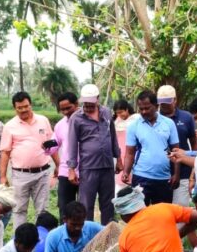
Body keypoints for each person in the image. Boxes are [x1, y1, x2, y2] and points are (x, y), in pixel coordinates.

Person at [0, 91, 59, 230]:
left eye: (26, 106)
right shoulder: (9, 126)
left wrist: (58, 164)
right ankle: (19, 242)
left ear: (30, 105)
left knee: (42, 210)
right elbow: (5, 152)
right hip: (20, 175)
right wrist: (2, 176)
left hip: (43, 172)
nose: (23, 110)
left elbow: (51, 144)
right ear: (15, 108)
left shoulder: (43, 120)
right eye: (19, 107)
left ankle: (42, 242)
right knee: (19, 209)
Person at [67, 84, 123, 225]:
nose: (88, 106)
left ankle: (108, 237)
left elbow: (113, 136)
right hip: (89, 167)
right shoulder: (76, 118)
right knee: (86, 205)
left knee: (108, 204)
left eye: (91, 103)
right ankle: (88, 238)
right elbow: (72, 144)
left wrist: (119, 158)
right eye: (85, 103)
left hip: (107, 166)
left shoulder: (106, 113)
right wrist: (71, 169)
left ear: (98, 99)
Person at [122, 90, 181, 205]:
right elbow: (130, 153)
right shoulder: (133, 126)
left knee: (162, 216)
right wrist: (126, 172)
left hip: (164, 178)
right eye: (141, 109)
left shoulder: (169, 123)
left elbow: (176, 152)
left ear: (156, 106)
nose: (143, 112)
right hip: (141, 177)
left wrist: (176, 174)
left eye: (147, 108)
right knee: (139, 215)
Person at [157, 85, 197, 207]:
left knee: (180, 208)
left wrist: (194, 166)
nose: (163, 106)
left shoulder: (186, 117)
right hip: (160, 172)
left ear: (175, 100)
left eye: (167, 103)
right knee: (162, 210)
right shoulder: (154, 118)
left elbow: (194, 142)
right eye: (161, 103)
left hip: (183, 171)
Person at [45, 92, 79, 220]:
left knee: (84, 207)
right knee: (65, 209)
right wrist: (46, 145)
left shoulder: (88, 121)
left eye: (68, 108)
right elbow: (56, 142)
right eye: (62, 109)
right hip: (65, 172)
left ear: (76, 104)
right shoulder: (60, 125)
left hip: (85, 170)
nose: (65, 112)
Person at [113, 99, 139, 190]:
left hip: (132, 153)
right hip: (120, 155)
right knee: (119, 184)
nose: (120, 115)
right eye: (117, 113)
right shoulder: (116, 122)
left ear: (127, 109)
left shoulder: (136, 119)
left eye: (121, 112)